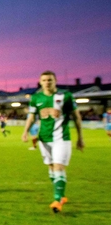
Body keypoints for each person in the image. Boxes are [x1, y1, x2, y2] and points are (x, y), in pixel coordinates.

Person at [21, 71, 84, 213]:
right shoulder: (36, 98)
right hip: (44, 138)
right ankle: (61, 195)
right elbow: (31, 117)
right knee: (51, 168)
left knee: (58, 167)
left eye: (50, 80)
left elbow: (76, 117)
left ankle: (57, 199)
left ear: (55, 81)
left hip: (62, 138)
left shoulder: (65, 96)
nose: (47, 82)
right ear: (40, 82)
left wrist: (80, 137)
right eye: (44, 80)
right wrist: (25, 132)